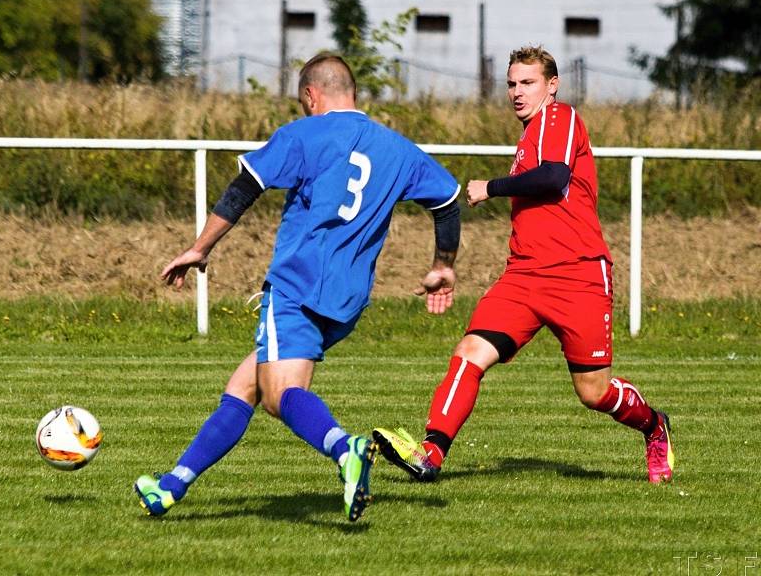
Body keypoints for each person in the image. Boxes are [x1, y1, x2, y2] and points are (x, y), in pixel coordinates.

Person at [133, 53, 461, 522]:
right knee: (244, 386)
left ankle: (345, 449)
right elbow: (448, 200)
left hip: (296, 286)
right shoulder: (398, 149)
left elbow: (245, 186)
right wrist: (443, 265)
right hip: (346, 302)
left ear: (311, 95)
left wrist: (200, 247)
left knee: (277, 394)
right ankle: (170, 487)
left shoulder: (304, 133)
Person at [373, 45, 675, 485]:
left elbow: (554, 178)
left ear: (552, 85)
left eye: (527, 82)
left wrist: (491, 187)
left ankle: (654, 425)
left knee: (594, 392)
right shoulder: (529, 135)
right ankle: (431, 453)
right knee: (470, 353)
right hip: (524, 276)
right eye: (512, 83)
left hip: (578, 274)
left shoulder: (560, 118)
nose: (517, 91)